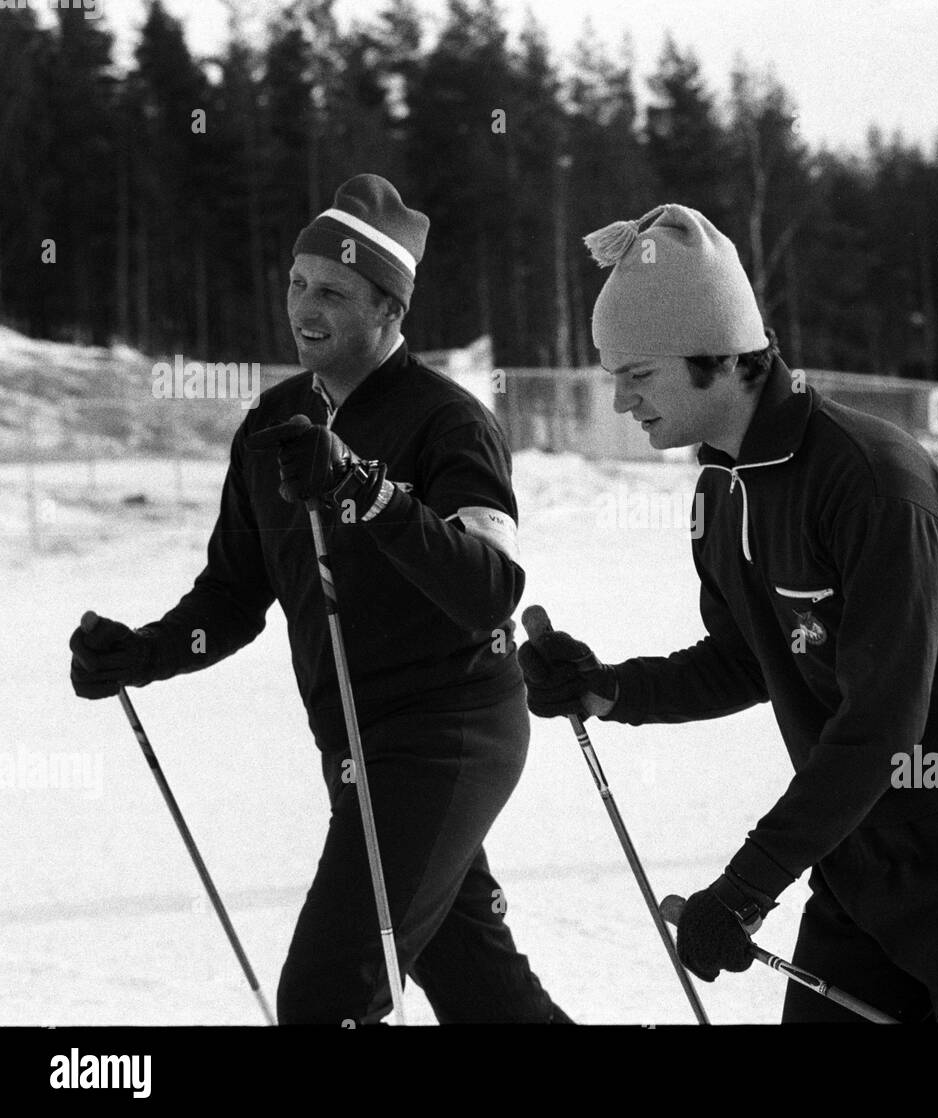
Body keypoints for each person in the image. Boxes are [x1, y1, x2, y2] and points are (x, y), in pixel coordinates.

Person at [520, 204, 938, 1023]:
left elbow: (884, 721)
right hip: (860, 856)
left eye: (637, 375)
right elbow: (749, 657)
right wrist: (607, 689)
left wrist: (746, 889)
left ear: (716, 357)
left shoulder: (872, 484)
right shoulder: (721, 487)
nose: (619, 403)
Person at [69, 174, 569, 1024]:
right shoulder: (272, 423)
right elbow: (233, 593)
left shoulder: (448, 422)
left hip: (449, 734)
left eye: (333, 291)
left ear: (389, 311)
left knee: (328, 994)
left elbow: (490, 591)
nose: (305, 306)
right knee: (483, 990)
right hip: (353, 738)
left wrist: (366, 493)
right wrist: (143, 653)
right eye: (298, 284)